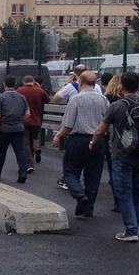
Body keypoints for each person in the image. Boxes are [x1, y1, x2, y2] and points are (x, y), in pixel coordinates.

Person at [90, 71, 139, 242]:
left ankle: (131, 230)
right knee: (137, 188)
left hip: (121, 153)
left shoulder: (117, 106)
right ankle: (134, 224)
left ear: (121, 86)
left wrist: (93, 143)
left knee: (123, 190)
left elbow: (100, 130)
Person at [51, 70, 108, 217]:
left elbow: (68, 125)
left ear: (80, 82)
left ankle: (80, 195)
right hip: (98, 140)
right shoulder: (104, 100)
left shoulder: (76, 99)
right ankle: (89, 208)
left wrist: (58, 136)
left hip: (78, 139)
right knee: (93, 175)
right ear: (95, 84)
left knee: (70, 172)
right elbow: (108, 124)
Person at [0, 75, 30, 184]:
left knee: (1, 151)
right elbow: (27, 114)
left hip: (4, 129)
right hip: (18, 128)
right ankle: (23, 172)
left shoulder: (1, 98)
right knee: (20, 150)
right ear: (15, 84)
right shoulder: (21, 97)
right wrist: (22, 123)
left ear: (4, 84)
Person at [19, 75, 51, 172]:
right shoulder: (39, 91)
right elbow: (48, 100)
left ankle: (29, 163)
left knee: (25, 143)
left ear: (23, 82)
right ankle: (33, 155)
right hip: (36, 121)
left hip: (24, 120)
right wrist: (39, 87)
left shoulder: (20, 91)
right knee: (33, 140)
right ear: (33, 82)